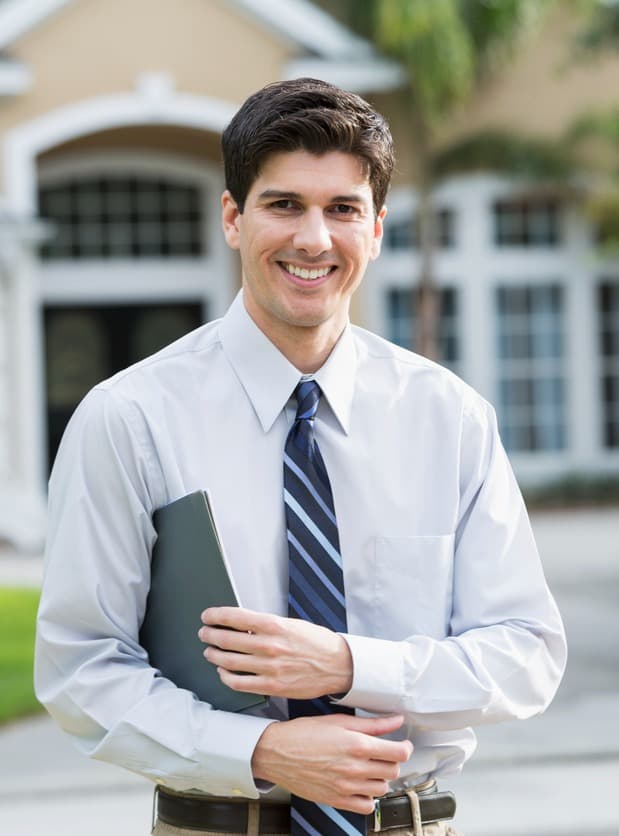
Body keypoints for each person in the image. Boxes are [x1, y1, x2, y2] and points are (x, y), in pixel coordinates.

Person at [35, 78, 567, 836]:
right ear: (232, 217)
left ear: (377, 228)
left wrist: (351, 666)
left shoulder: (448, 419)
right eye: (283, 204)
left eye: (342, 209)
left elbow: (525, 656)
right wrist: (263, 750)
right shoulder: (131, 419)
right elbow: (80, 669)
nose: (313, 238)